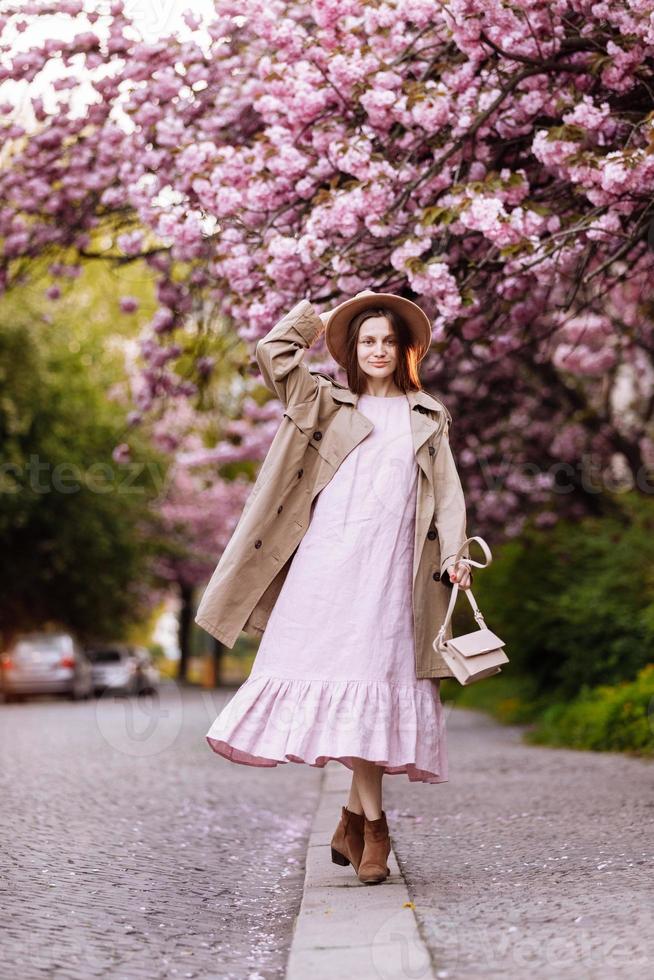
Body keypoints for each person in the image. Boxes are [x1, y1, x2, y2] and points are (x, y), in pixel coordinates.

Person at [196, 289, 473, 885]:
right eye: (366, 340)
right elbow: (274, 353)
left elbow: (447, 493)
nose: (377, 350)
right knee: (358, 689)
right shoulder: (323, 400)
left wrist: (454, 553)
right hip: (327, 571)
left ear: (404, 350)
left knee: (371, 688)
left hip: (393, 574)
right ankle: (372, 828)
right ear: (352, 347)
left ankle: (359, 824)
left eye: (387, 341)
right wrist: (318, 320)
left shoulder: (427, 414)